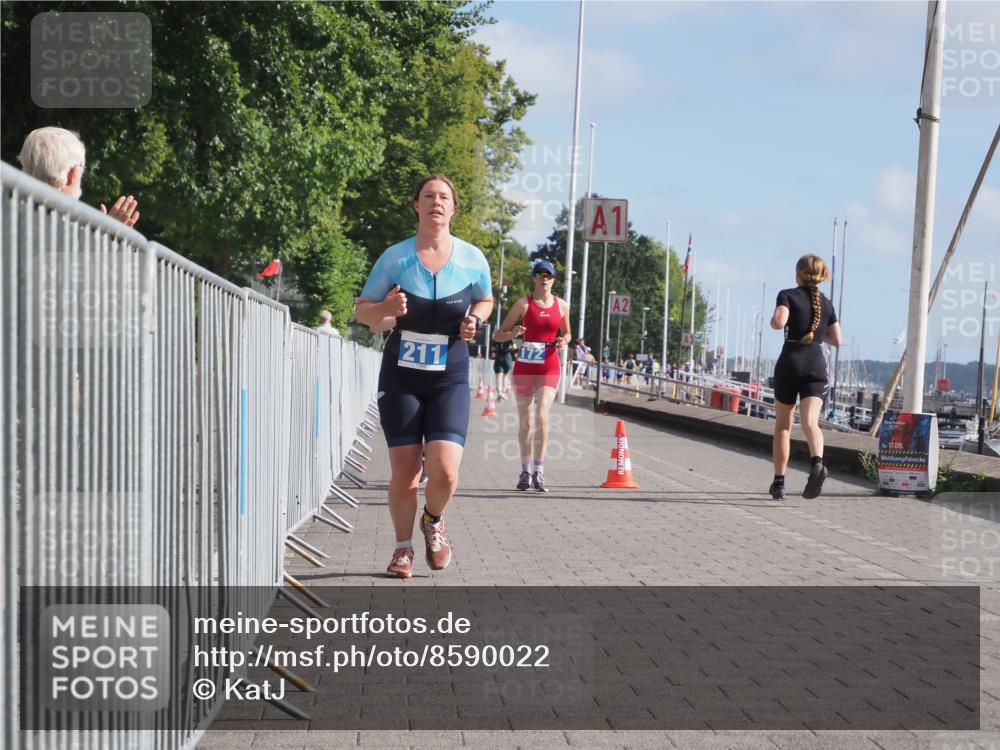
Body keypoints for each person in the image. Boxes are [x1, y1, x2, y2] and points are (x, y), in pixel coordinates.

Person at [353, 174, 493, 578]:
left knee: (446, 470)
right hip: (402, 374)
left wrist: (474, 320)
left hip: (449, 373)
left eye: (444, 197)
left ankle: (433, 519)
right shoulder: (395, 258)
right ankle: (402, 550)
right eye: (428, 196)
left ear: (454, 208)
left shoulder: (472, 258)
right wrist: (386, 307)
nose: (436, 201)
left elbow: (485, 298)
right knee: (406, 470)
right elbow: (362, 310)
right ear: (415, 205)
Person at [769, 254, 842, 500]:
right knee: (811, 422)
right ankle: (817, 463)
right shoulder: (827, 302)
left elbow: (779, 322)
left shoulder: (787, 295)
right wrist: (818, 335)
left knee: (783, 426)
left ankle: (779, 483)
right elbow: (837, 340)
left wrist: (774, 320)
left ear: (798, 273)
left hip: (790, 360)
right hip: (816, 363)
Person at [493, 260, 571, 492]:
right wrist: (512, 334)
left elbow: (567, 333)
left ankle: (540, 471)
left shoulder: (562, 306)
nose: (545, 279)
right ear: (534, 278)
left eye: (549, 276)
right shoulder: (522, 305)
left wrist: (563, 341)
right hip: (526, 366)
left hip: (549, 365)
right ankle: (525, 472)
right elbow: (498, 334)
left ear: (554, 280)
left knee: (542, 415)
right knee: (526, 422)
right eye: (540, 275)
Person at [18, 127, 140, 227]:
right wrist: (110, 239)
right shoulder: (73, 233)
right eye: (82, 168)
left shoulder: (10, 215)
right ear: (73, 174)